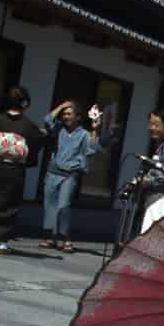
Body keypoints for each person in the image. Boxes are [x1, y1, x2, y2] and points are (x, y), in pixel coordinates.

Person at [0, 85, 43, 253]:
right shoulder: (29, 126)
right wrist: (27, 159)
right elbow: (36, 144)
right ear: (25, 103)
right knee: (11, 203)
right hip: (15, 169)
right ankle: (3, 242)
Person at [39, 100, 106, 253]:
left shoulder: (83, 134)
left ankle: (65, 237)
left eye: (69, 114)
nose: (66, 117)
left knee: (64, 206)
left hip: (69, 174)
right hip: (53, 172)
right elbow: (47, 120)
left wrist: (95, 129)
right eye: (64, 114)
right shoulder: (58, 129)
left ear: (78, 117)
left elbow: (93, 148)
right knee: (50, 206)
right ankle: (51, 237)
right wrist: (62, 106)